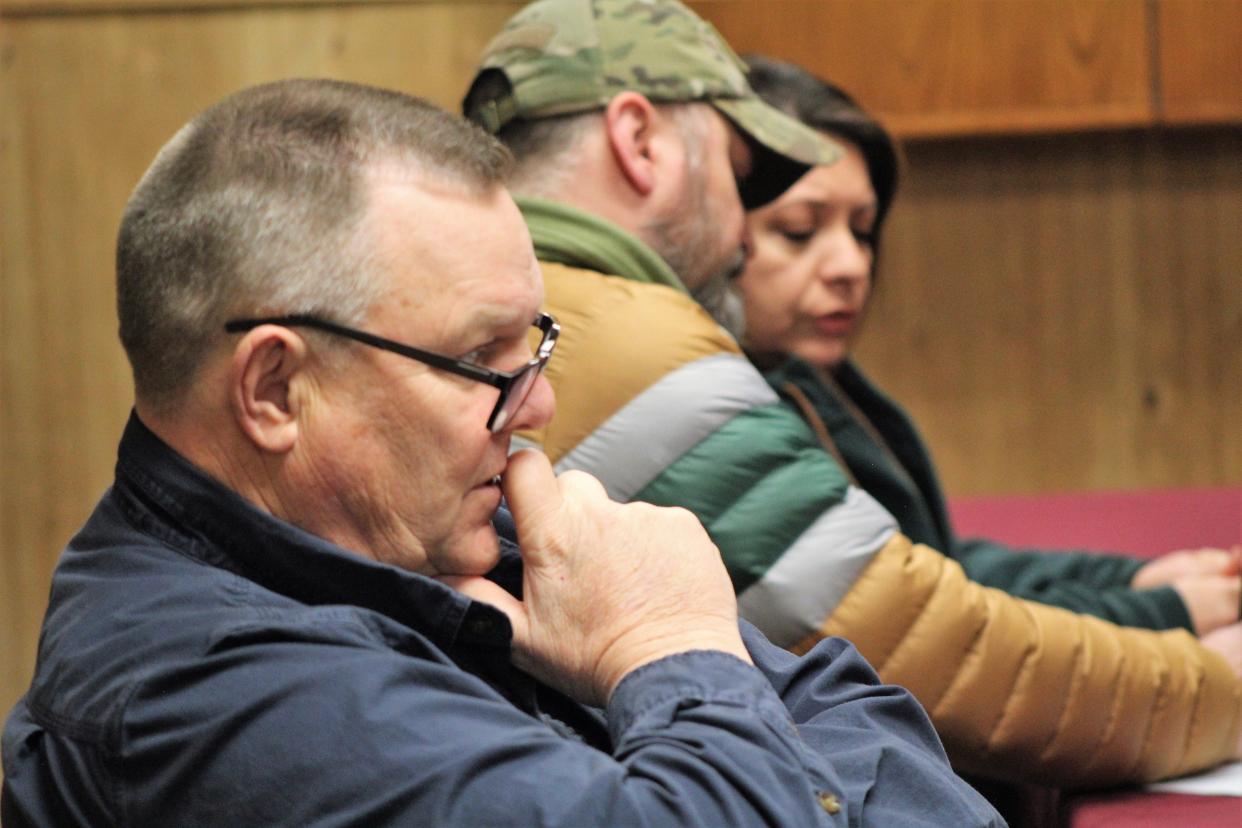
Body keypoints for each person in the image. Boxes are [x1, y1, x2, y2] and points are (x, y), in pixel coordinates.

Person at [0, 78, 1005, 826]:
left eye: (536, 342)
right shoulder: (204, 689)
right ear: (274, 390)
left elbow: (880, 731)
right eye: (483, 358)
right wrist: (670, 654)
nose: (541, 402)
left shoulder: (442, 530)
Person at [463, 0, 1242, 789]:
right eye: (740, 179)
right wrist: (1219, 685)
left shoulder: (496, 301)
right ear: (637, 143)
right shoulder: (633, 340)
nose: (741, 232)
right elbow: (937, 660)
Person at [739, 53, 1242, 637]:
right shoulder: (737, 411)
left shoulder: (815, 381)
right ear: (717, 224)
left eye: (863, 229)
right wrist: (1166, 612)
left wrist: (1134, 580)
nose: (852, 265)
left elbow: (932, 564)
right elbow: (914, 633)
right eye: (801, 230)